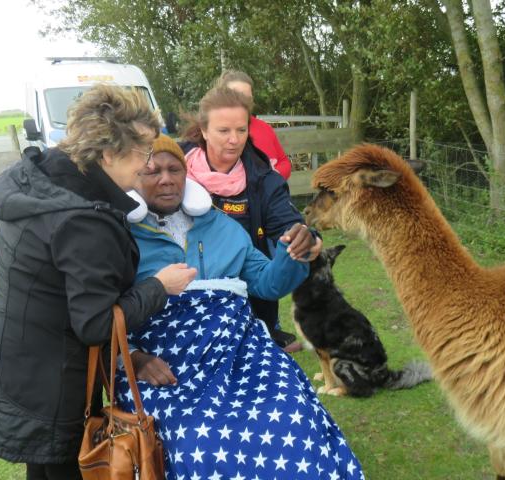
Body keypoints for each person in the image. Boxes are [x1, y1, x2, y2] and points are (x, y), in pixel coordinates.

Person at [0, 86, 196, 479]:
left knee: (43, 469)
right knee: (62, 467)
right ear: (107, 153)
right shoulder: (84, 220)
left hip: (13, 355)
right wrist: (160, 286)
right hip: (50, 379)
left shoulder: (37, 177)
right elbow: (95, 324)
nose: (147, 165)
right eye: (142, 152)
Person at [118, 135, 364, 479]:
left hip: (240, 349)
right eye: (152, 171)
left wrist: (293, 252)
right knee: (199, 440)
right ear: (134, 177)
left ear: (187, 175)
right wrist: (133, 358)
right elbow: (103, 313)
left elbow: (268, 282)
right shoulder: (119, 236)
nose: (166, 179)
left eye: (175, 169)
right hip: (165, 363)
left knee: (292, 412)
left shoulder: (222, 226)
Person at [181, 86, 321, 353]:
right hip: (181, 310)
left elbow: (289, 224)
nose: (234, 140)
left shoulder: (265, 180)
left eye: (241, 130)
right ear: (203, 130)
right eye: (224, 131)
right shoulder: (172, 169)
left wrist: (305, 237)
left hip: (248, 308)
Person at [216, 69, 292, 179]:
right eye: (237, 97)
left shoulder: (264, 128)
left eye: (248, 99)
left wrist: (273, 177)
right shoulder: (213, 130)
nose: (244, 103)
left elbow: (284, 162)